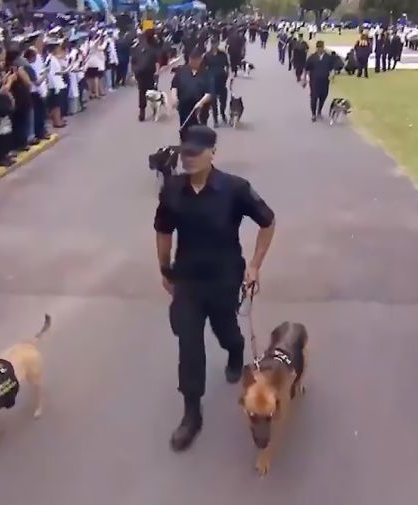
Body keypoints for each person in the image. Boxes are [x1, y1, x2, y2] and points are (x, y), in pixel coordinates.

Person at [153, 125, 276, 452]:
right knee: (189, 343)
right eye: (185, 153)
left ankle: (236, 351)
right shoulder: (172, 190)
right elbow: (163, 230)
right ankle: (192, 412)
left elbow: (268, 221)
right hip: (188, 279)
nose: (189, 159)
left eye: (196, 153)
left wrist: (254, 265)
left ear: (212, 153)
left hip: (224, 277)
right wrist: (164, 267)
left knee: (225, 329)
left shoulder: (235, 189)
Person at [170, 48, 213, 143]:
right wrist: (174, 98)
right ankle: (185, 149)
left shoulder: (206, 74)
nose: (192, 62)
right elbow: (174, 86)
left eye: (195, 60)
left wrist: (201, 102)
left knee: (198, 134)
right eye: (191, 59)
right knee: (184, 131)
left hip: (200, 110)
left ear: (200, 60)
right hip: (184, 107)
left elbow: (209, 93)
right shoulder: (181, 71)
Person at [304, 40, 335, 122]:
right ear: (316, 48)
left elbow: (332, 68)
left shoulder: (328, 57)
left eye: (321, 47)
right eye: (318, 48)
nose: (320, 49)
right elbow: (306, 69)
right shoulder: (312, 57)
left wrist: (332, 75)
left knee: (323, 96)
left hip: (324, 81)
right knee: (314, 98)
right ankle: (313, 114)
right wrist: (304, 80)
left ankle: (319, 111)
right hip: (314, 81)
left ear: (323, 47)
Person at [132, 30, 159, 122]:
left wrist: (135, 71)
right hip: (149, 73)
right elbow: (156, 62)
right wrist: (157, 73)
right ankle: (154, 110)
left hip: (141, 74)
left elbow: (133, 61)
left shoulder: (138, 48)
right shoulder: (152, 49)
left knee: (142, 92)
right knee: (151, 92)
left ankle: (142, 112)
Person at [203, 38, 229, 128]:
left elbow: (227, 65)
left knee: (223, 101)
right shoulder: (207, 55)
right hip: (211, 81)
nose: (215, 45)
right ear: (211, 44)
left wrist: (227, 74)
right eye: (213, 43)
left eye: (217, 43)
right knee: (213, 102)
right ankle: (215, 119)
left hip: (222, 80)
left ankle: (223, 113)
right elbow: (203, 68)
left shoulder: (223, 54)